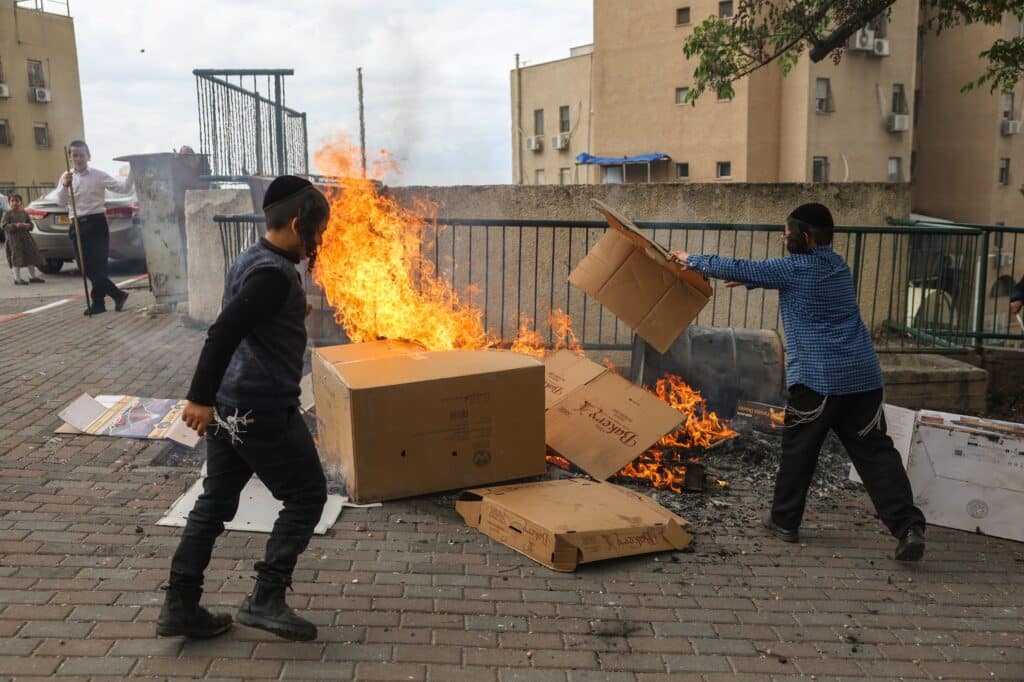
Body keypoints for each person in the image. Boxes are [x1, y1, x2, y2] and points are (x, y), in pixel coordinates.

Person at [670, 203, 927, 562]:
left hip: (819, 382)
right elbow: (764, 275)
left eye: (787, 231)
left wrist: (691, 259)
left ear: (804, 236)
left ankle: (784, 520)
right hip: (863, 379)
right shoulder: (839, 267)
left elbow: (744, 267)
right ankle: (909, 528)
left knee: (799, 453)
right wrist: (753, 278)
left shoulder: (793, 268)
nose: (784, 236)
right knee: (876, 454)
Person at [157, 176, 330, 641]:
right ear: (297, 223)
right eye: (316, 233)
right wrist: (198, 397)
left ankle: (180, 604)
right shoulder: (273, 274)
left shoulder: (255, 258)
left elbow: (251, 319)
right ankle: (266, 598)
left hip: (232, 405)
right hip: (261, 408)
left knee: (215, 502)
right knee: (307, 495)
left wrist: (290, 312)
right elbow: (224, 331)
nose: (317, 243)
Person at [56, 140, 132, 315]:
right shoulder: (66, 176)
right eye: (75, 155)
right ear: (70, 157)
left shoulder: (98, 175)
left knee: (99, 267)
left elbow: (124, 189)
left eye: (82, 155)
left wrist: (134, 169)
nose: (78, 158)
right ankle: (117, 294)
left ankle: (98, 304)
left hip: (96, 223)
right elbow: (60, 202)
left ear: (88, 156)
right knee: (85, 267)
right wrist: (65, 186)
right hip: (76, 224)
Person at [1, 194, 46, 285]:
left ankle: (32, 277)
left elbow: (31, 225)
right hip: (14, 240)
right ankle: (17, 279)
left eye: (17, 201)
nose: (14, 203)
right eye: (12, 201)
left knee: (30, 256)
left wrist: (27, 226)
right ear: (9, 202)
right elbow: (4, 226)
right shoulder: (7, 213)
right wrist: (15, 226)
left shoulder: (24, 213)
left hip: (26, 239)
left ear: (21, 202)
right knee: (16, 257)